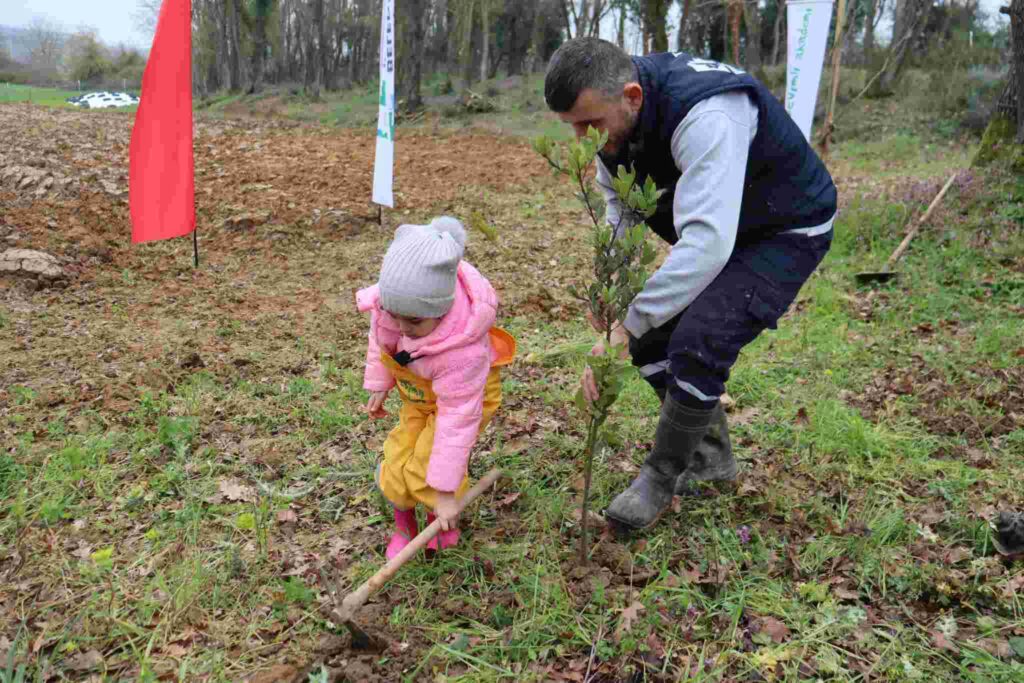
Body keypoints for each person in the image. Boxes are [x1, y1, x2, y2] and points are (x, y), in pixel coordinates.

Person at [544, 38, 837, 532]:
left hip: (783, 228)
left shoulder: (707, 116)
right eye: (572, 126)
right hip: (724, 227)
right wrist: (617, 300)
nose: (582, 140)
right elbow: (622, 213)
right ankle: (708, 458)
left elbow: (706, 244)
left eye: (589, 124)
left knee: (701, 338)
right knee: (653, 338)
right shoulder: (613, 129)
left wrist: (626, 325)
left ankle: (661, 475)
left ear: (632, 96)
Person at [356, 217, 515, 559]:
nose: (402, 328)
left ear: (441, 309)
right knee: (399, 455)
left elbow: (456, 421)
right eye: (394, 316)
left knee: (430, 460)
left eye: (413, 322)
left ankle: (439, 517)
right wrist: (380, 383)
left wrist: (443, 493)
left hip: (463, 400)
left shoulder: (463, 352)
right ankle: (404, 524)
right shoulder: (393, 306)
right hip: (420, 394)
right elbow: (381, 339)